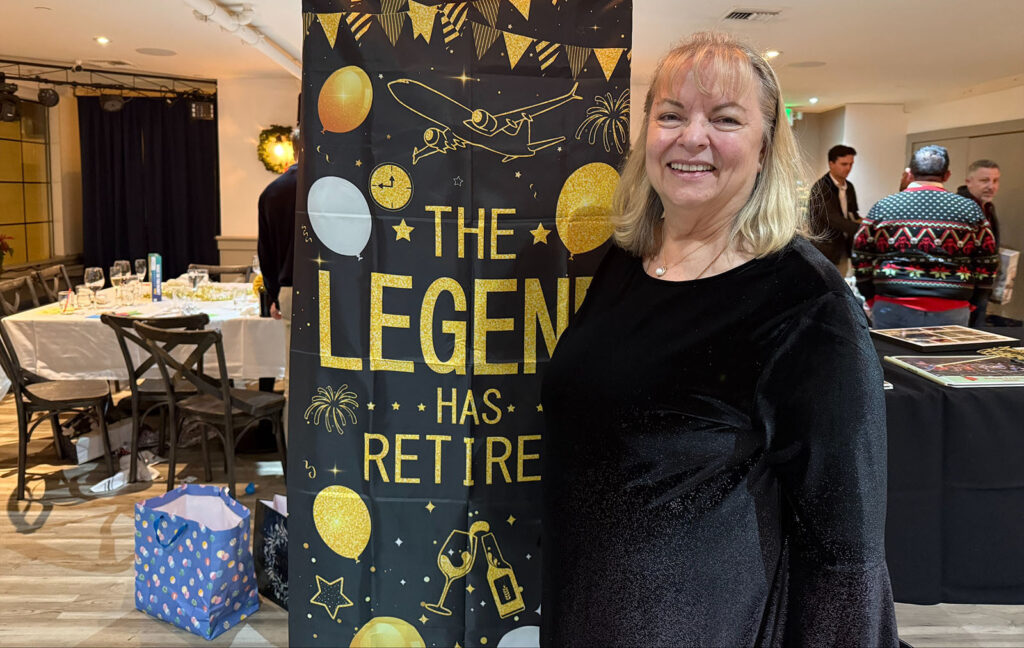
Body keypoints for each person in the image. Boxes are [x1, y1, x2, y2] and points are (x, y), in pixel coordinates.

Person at [541, 32, 897, 646]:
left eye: (725, 119)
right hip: (583, 603)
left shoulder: (806, 301)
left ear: (765, 147)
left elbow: (846, 550)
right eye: (671, 115)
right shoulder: (627, 260)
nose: (692, 137)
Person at [852, 146, 998, 329]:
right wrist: (975, 301)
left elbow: (860, 254)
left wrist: (870, 296)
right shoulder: (970, 210)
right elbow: (988, 261)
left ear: (909, 174)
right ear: (947, 176)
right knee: (946, 350)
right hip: (953, 308)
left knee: (890, 349)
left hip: (892, 305)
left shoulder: (884, 207)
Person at [257, 127, 299, 437]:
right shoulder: (330, 185)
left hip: (291, 292)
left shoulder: (272, 192)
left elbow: (266, 254)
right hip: (336, 291)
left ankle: (296, 450)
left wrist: (272, 296)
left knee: (295, 379)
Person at [957, 159, 1001, 326]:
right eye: (984, 180)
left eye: (995, 181)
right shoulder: (960, 208)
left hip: (982, 284)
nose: (991, 186)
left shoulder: (988, 207)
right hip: (964, 286)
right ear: (968, 181)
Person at [809, 144, 860, 273]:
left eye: (851, 164)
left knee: (841, 281)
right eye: (844, 164)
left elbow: (853, 214)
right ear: (831, 164)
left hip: (843, 248)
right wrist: (861, 229)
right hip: (824, 250)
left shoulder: (849, 187)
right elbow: (833, 219)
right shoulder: (821, 188)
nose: (848, 168)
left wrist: (869, 223)